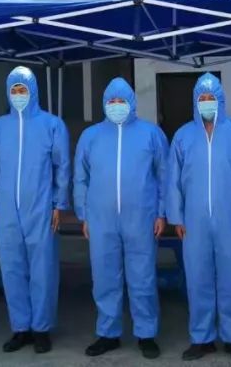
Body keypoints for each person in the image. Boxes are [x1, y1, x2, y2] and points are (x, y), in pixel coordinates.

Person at [166, 73, 231, 362]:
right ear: (195, 101)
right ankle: (201, 338)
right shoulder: (183, 136)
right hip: (194, 222)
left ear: (221, 99)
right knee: (198, 279)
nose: (206, 102)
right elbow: (173, 181)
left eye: (211, 97)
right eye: (202, 98)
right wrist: (176, 217)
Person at [75, 77, 169, 359]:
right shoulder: (90, 136)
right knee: (104, 277)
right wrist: (84, 214)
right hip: (101, 219)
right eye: (112, 101)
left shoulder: (151, 134)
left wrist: (162, 212)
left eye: (122, 101)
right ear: (105, 103)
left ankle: (146, 334)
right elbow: (80, 178)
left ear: (132, 102)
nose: (117, 106)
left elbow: (164, 176)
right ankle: (108, 333)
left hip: (141, 218)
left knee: (142, 277)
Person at [0, 66, 72, 355]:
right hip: (7, 209)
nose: (19, 95)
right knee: (12, 268)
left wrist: (59, 203)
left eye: (23, 89)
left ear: (33, 91)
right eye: (14, 90)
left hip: (41, 207)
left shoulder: (51, 125)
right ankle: (21, 328)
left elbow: (62, 168)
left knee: (42, 269)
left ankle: (42, 328)